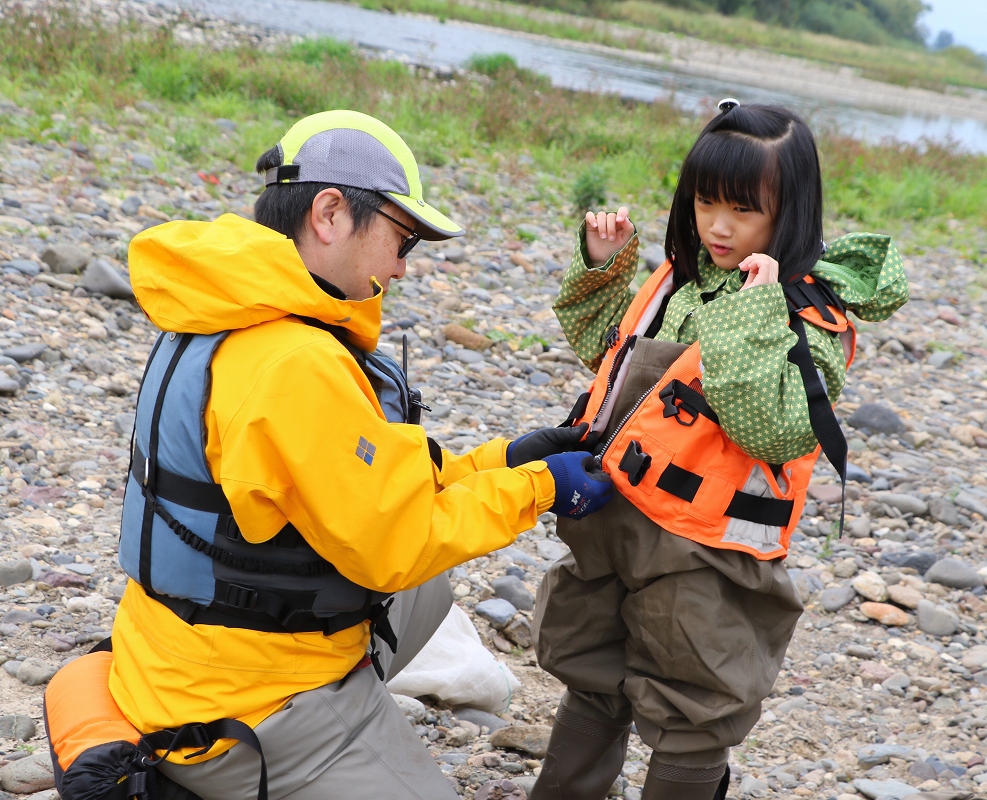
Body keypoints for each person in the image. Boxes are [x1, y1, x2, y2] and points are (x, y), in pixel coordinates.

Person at [108, 110, 611, 799]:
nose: (403, 266)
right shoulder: (294, 361)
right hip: (245, 705)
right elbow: (394, 542)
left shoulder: (220, 309)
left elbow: (363, 489)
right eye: (401, 239)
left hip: (170, 655)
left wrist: (506, 459)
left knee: (427, 588)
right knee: (415, 571)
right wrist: (539, 491)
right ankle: (308, 755)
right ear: (329, 213)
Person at [529, 101, 908, 800]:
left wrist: (757, 317)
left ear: (789, 211)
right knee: (594, 674)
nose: (720, 226)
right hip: (617, 519)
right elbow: (612, 362)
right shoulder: (682, 276)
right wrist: (604, 269)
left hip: (707, 549)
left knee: (697, 708)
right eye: (706, 203)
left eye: (744, 210)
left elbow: (773, 427)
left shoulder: (806, 312)